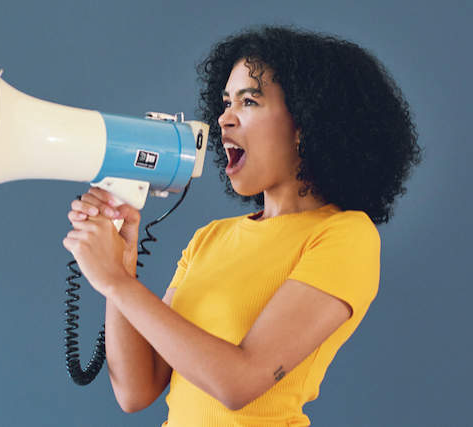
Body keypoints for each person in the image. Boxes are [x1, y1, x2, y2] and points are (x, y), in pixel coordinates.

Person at [61, 24, 421, 426]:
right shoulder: (210, 238)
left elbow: (240, 382)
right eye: (226, 102)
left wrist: (117, 283)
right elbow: (136, 390)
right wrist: (122, 262)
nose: (224, 119)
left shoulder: (345, 236)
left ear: (306, 123)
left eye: (249, 102)